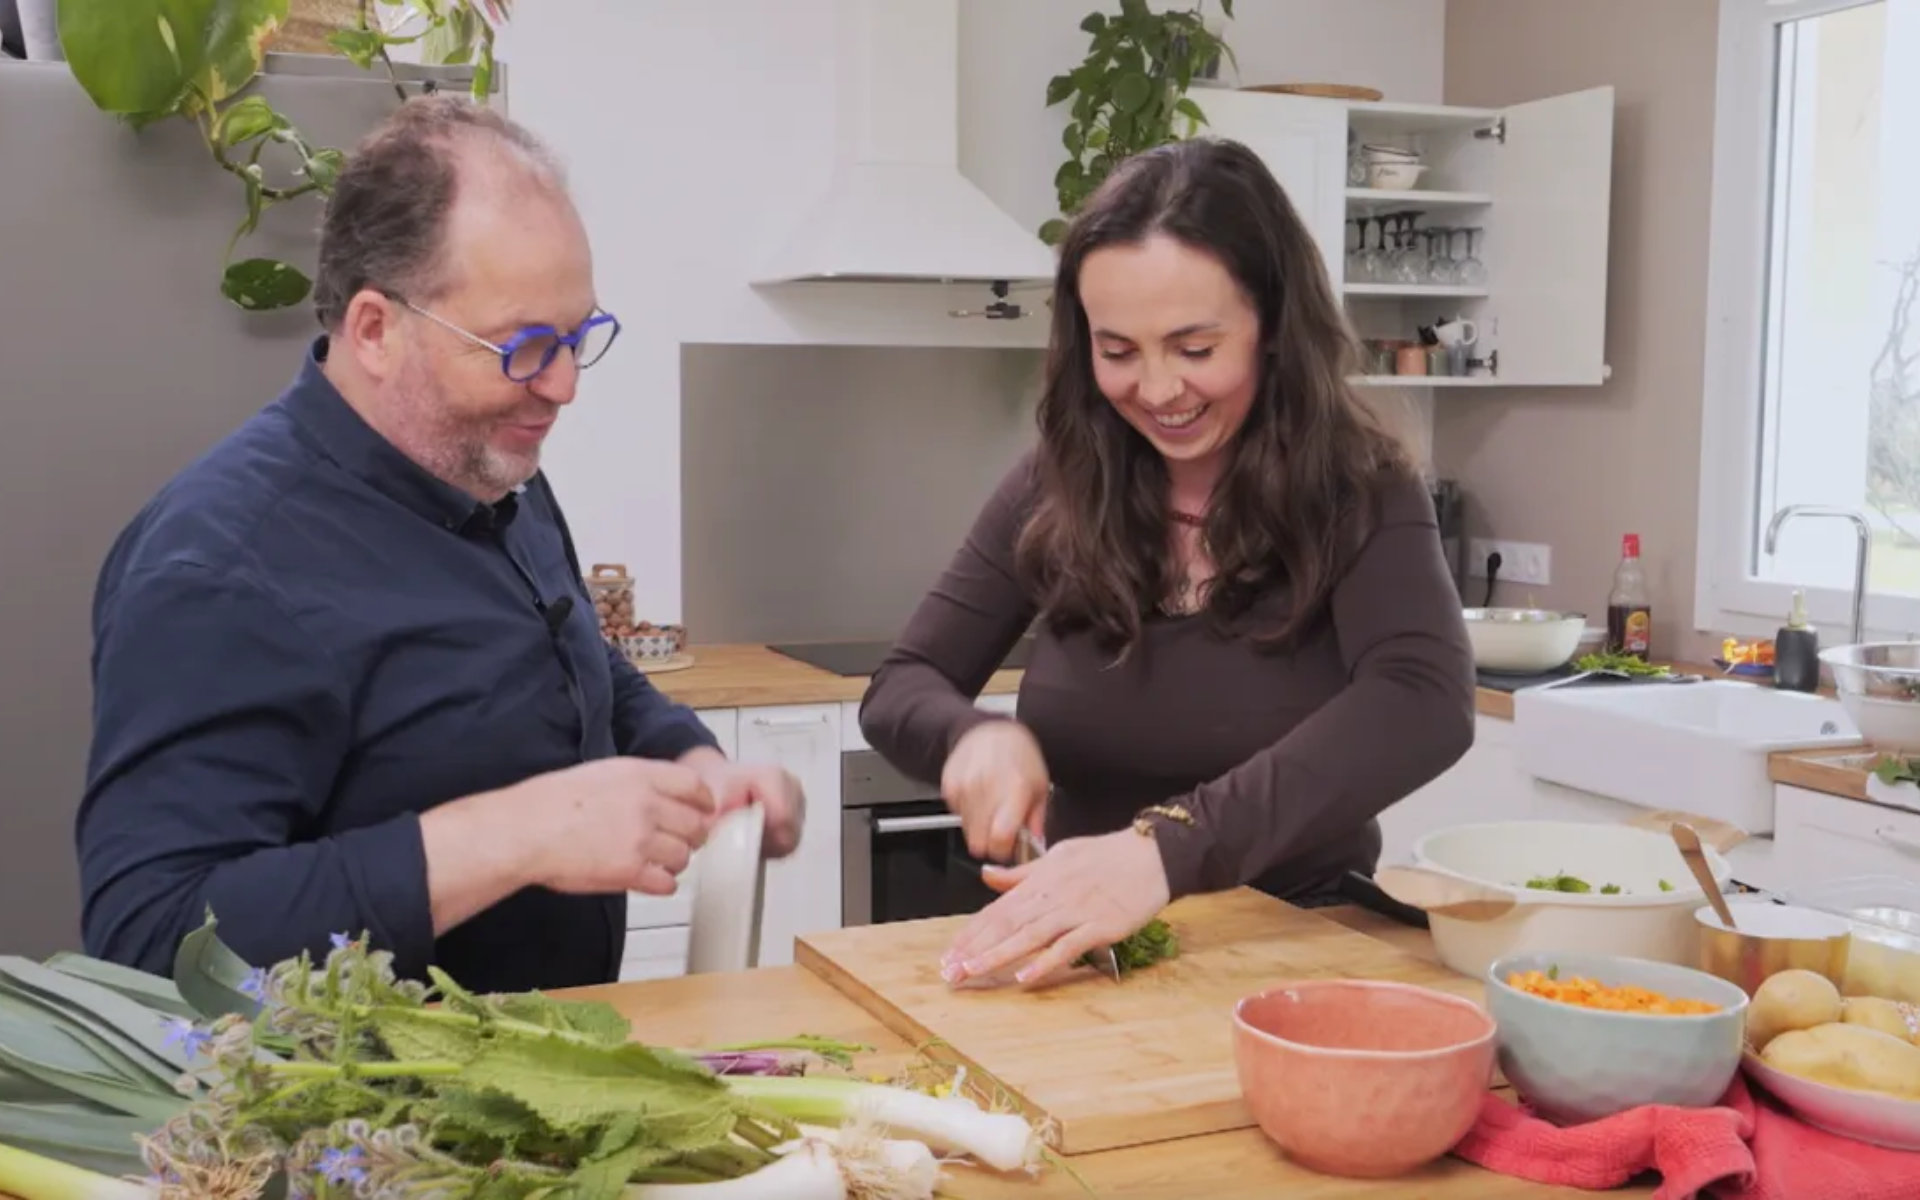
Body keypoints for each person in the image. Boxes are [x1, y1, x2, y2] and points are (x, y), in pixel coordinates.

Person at [76, 95, 803, 994]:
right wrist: (512, 836)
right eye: (525, 345)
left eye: (578, 336)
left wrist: (688, 757)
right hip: (367, 1126)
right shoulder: (219, 566)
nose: (566, 385)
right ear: (377, 329)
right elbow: (153, 941)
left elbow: (582, 669)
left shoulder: (494, 471)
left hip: (537, 1091)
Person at [858, 138, 1476, 988]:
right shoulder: (1058, 481)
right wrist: (971, 738)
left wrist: (1163, 851)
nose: (1156, 391)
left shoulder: (1360, 491)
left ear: (1274, 329)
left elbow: (1425, 700)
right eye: (1117, 352)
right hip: (1086, 955)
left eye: (1194, 349)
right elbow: (905, 682)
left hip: (1298, 948)